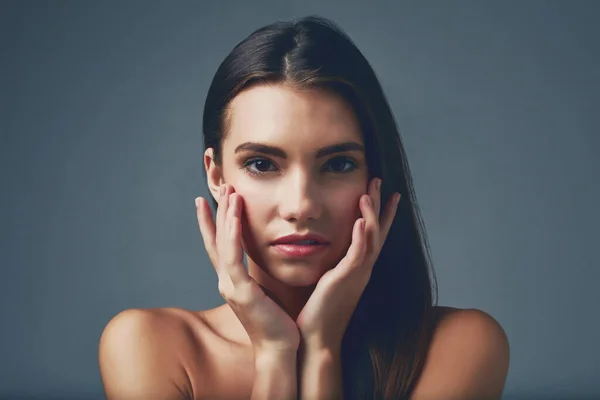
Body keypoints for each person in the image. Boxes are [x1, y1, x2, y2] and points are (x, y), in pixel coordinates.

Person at [98, 15, 510, 400]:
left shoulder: (459, 345)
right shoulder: (149, 346)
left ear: (376, 177)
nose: (301, 206)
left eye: (337, 164)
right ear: (217, 177)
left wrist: (321, 350)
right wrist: (276, 352)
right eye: (261, 164)